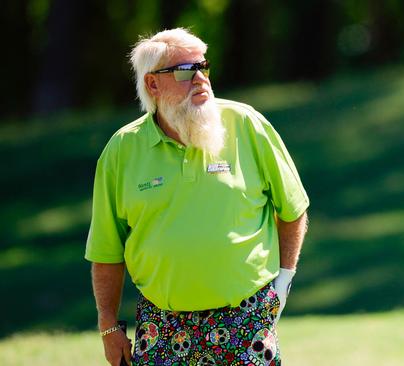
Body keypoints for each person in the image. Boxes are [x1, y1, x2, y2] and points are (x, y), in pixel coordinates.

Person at [85, 28, 309, 366]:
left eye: (202, 67)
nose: (200, 79)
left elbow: (293, 209)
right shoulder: (121, 150)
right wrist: (108, 325)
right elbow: (106, 248)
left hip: (246, 318)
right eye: (184, 71)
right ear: (152, 85)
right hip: (162, 323)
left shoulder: (247, 125)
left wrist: (283, 283)